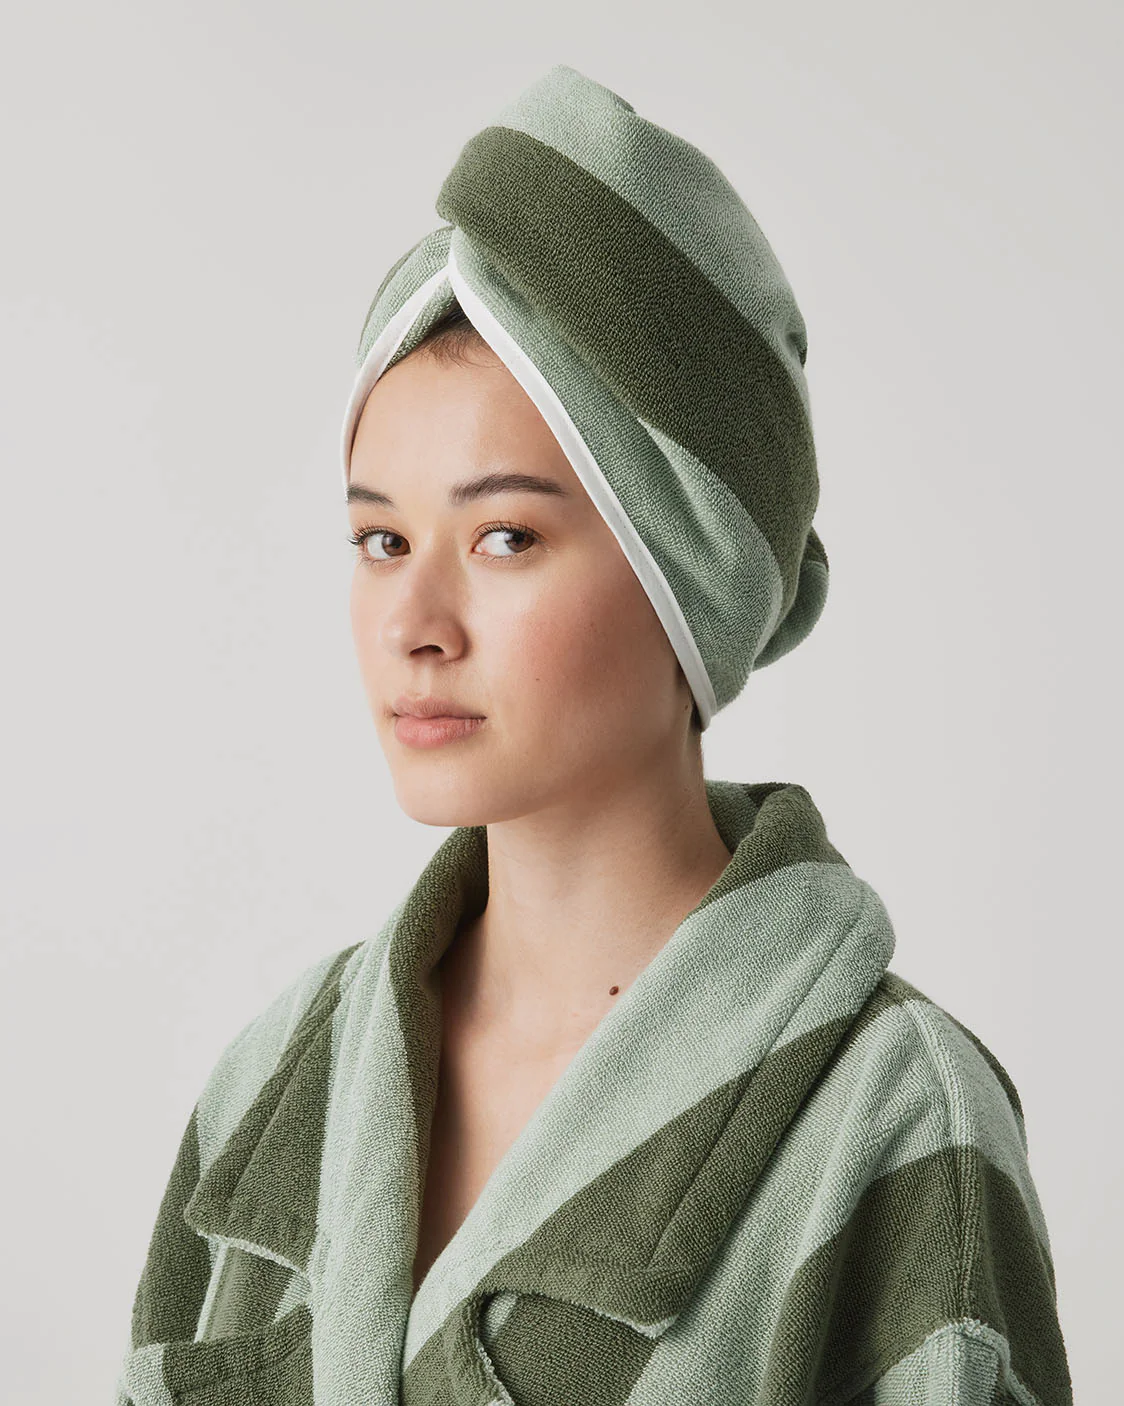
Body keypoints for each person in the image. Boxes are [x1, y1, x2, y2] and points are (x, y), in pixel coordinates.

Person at [114, 64, 1072, 1406]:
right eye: (381, 540)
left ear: (688, 577)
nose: (415, 621)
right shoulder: (273, 1083)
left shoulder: (895, 1122)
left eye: (506, 536)